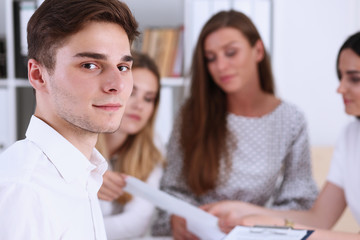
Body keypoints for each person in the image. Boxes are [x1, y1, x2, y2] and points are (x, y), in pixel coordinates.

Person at [152, 10, 318, 239]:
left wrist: (254, 222)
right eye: (211, 58)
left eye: (231, 53)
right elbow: (173, 189)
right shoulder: (192, 114)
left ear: (258, 51)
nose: (221, 66)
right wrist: (179, 218)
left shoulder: (290, 120)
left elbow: (300, 201)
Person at [0, 0, 138, 239]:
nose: (117, 85)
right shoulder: (25, 191)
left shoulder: (83, 175)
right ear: (38, 75)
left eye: (123, 67)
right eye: (90, 65)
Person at [202, 32, 360, 240]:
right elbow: (319, 218)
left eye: (355, 79)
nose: (340, 88)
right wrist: (243, 211)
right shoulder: (350, 137)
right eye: (341, 77)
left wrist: (277, 228)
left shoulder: (289, 118)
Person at [96, 52, 164, 239]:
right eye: (132, 92)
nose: (139, 106)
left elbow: (136, 224)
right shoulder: (77, 144)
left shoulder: (151, 152)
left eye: (148, 98)